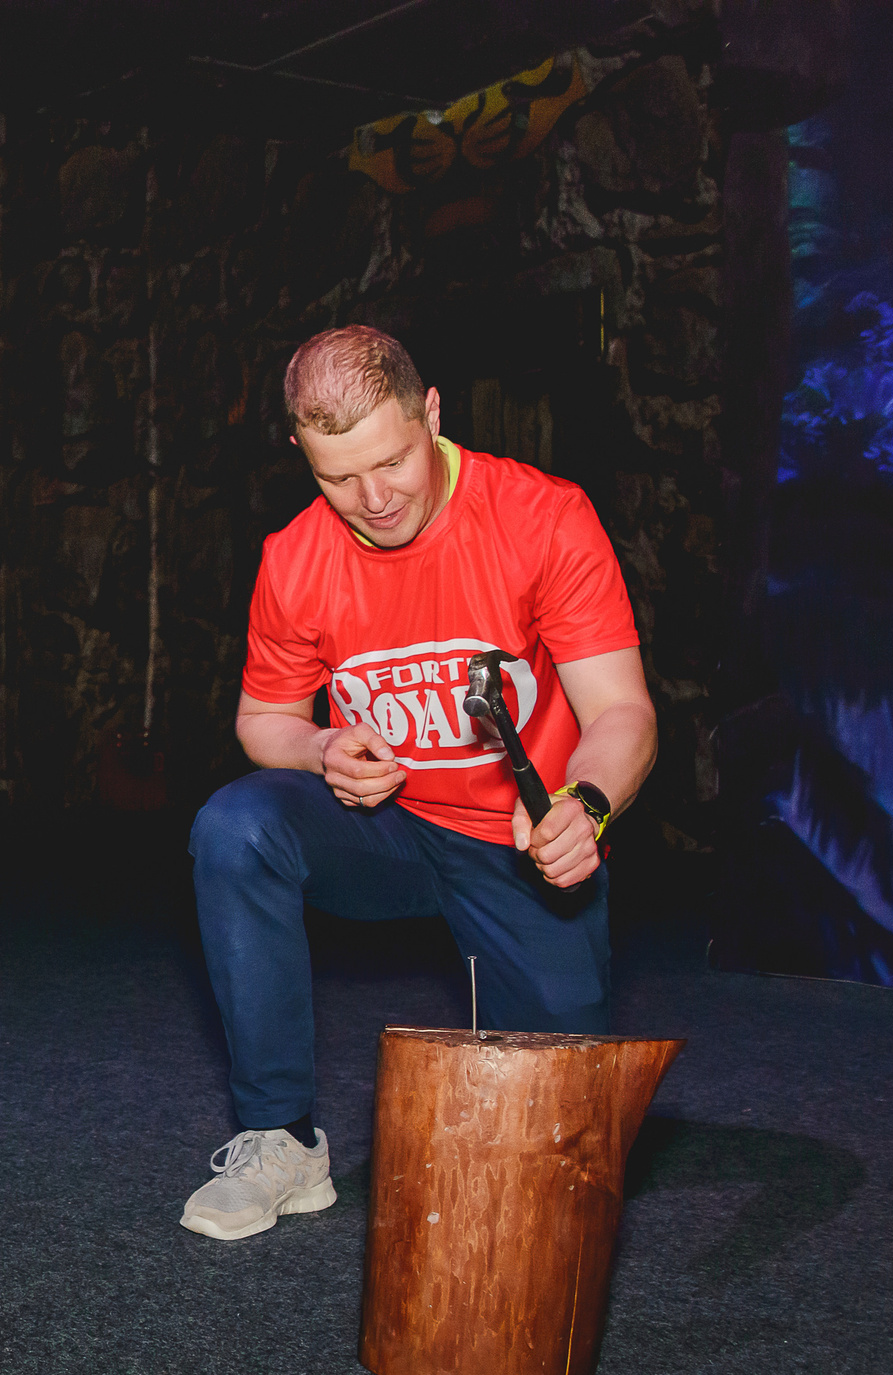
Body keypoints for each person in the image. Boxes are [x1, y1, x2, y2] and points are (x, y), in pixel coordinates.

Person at [181, 325, 655, 1240]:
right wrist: (323, 751)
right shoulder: (295, 555)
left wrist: (586, 804)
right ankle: (281, 1137)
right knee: (235, 829)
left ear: (431, 412)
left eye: (392, 462)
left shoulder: (542, 516)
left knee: (563, 1153)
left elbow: (624, 714)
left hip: (518, 842)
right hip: (387, 829)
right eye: (337, 476)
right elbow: (261, 720)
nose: (372, 498)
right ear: (301, 455)